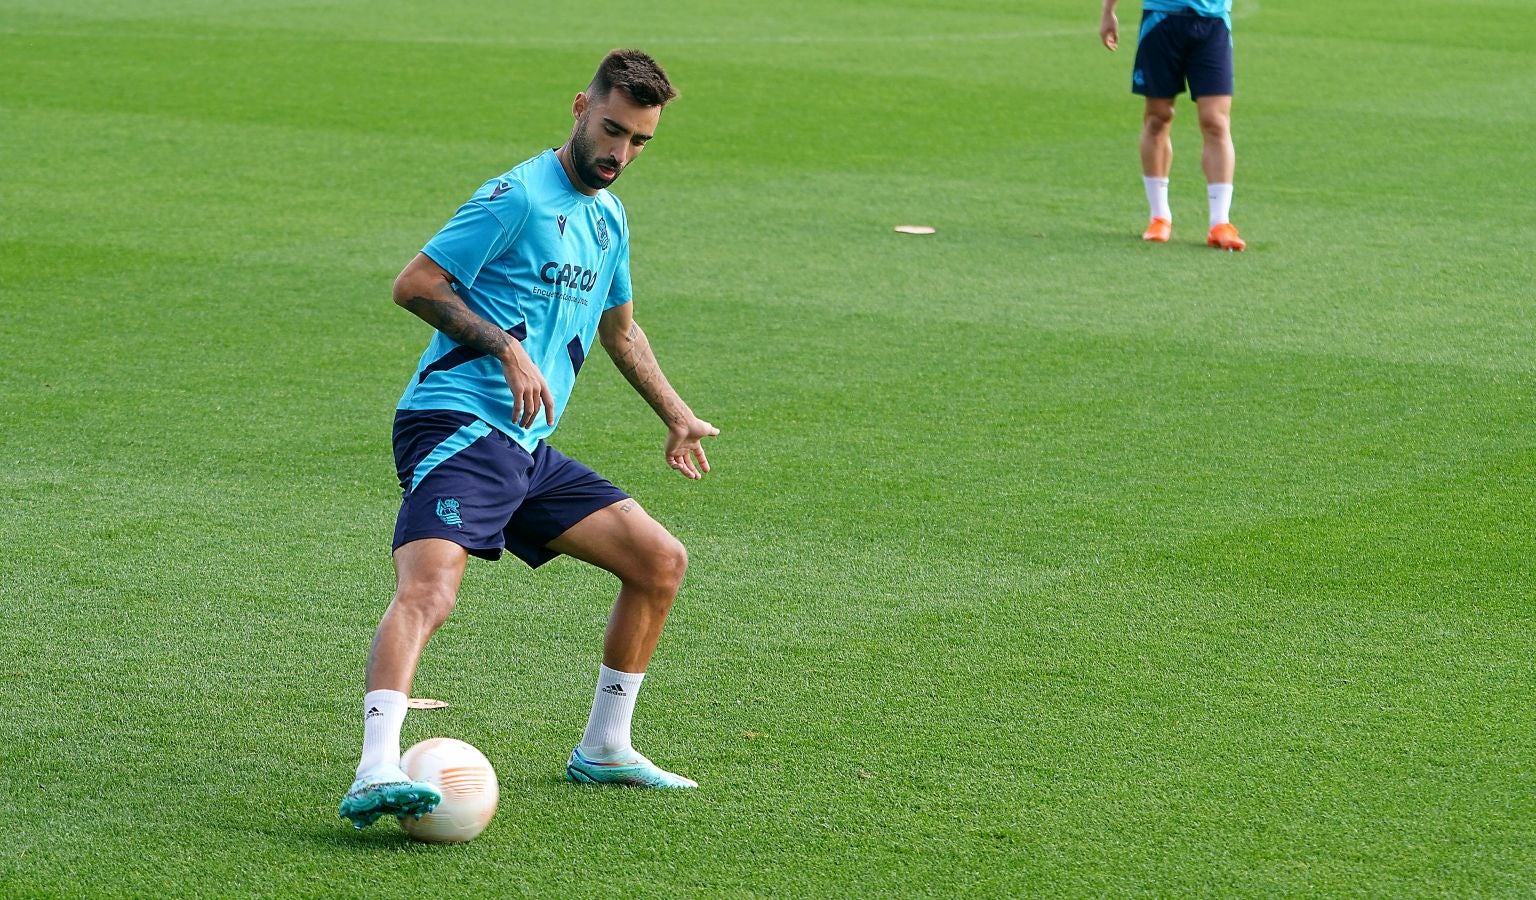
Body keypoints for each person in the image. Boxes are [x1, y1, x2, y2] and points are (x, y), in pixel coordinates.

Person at [340, 48, 719, 830]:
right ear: (580, 107)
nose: (620, 154)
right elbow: (414, 283)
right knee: (431, 591)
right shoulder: (514, 198)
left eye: (639, 141)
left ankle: (606, 748)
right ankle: (375, 766)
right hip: (456, 423)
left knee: (658, 561)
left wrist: (674, 413)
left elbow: (622, 331)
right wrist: (505, 348)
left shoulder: (609, 217)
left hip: (520, 445)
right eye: (612, 130)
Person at [1100, 0, 1246, 250]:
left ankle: (1220, 222)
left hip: (1214, 21)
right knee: (1158, 117)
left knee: (1216, 120)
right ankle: (1159, 216)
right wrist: (1108, 11)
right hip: (1161, 18)